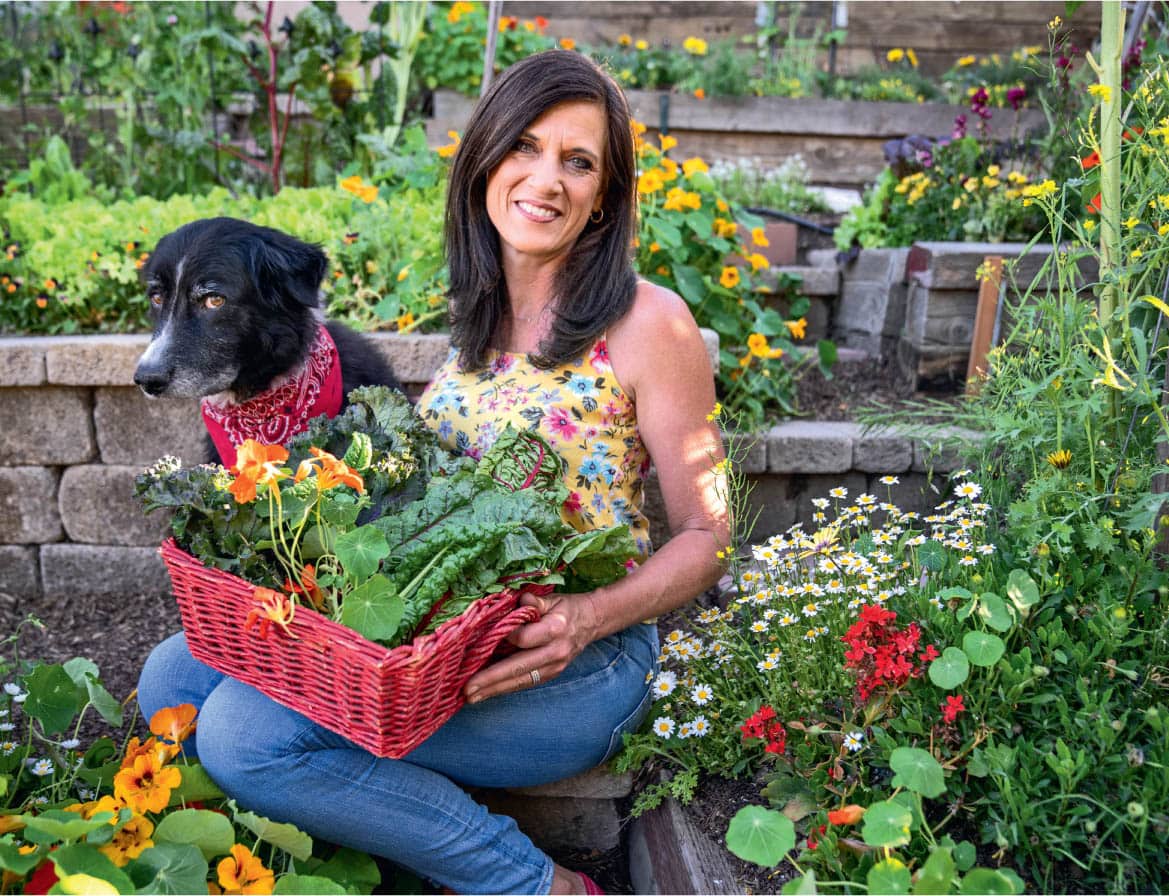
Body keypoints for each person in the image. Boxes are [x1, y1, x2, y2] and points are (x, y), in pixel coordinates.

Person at [137, 49, 729, 895]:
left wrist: (588, 617)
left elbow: (710, 537)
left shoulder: (651, 322)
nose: (545, 179)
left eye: (578, 161)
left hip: (575, 666)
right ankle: (353, 829)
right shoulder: (478, 321)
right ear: (486, 160)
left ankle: (538, 885)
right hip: (442, 647)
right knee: (169, 677)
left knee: (243, 733)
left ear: (604, 197)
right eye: (523, 147)